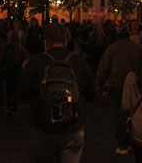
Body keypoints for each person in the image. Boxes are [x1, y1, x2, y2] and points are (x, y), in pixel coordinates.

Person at [20, 23, 95, 163]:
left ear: (45, 42)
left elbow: (22, 93)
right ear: (66, 41)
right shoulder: (78, 62)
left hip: (43, 125)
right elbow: (91, 93)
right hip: (72, 125)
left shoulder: (36, 63)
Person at [97, 25, 142, 155]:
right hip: (133, 86)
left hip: (116, 85)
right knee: (131, 114)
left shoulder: (113, 48)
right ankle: (130, 140)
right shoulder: (137, 49)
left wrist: (99, 84)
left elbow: (104, 67)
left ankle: (123, 142)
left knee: (119, 114)